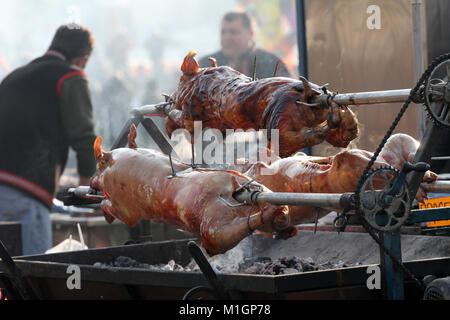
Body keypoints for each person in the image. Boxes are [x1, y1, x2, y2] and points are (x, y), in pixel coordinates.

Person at [0, 24, 97, 255]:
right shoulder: (71, 76)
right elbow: (85, 141)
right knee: (31, 279)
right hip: (25, 195)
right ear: (83, 59)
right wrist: (86, 200)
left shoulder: (14, 76)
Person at [199, 10, 291, 79]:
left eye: (233, 32)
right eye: (223, 32)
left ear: (251, 34)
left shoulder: (273, 64)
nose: (227, 37)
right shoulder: (205, 66)